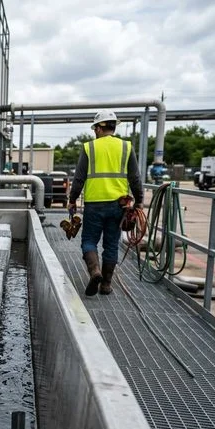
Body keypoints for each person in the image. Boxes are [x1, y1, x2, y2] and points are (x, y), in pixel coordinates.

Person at [68, 110, 144, 296]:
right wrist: (140, 201)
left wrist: (72, 200)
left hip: (94, 204)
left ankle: (95, 272)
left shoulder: (89, 148)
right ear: (113, 126)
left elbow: (79, 178)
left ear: (100, 128)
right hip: (119, 205)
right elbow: (135, 178)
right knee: (111, 245)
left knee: (89, 241)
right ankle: (106, 285)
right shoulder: (126, 147)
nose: (95, 132)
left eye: (95, 128)